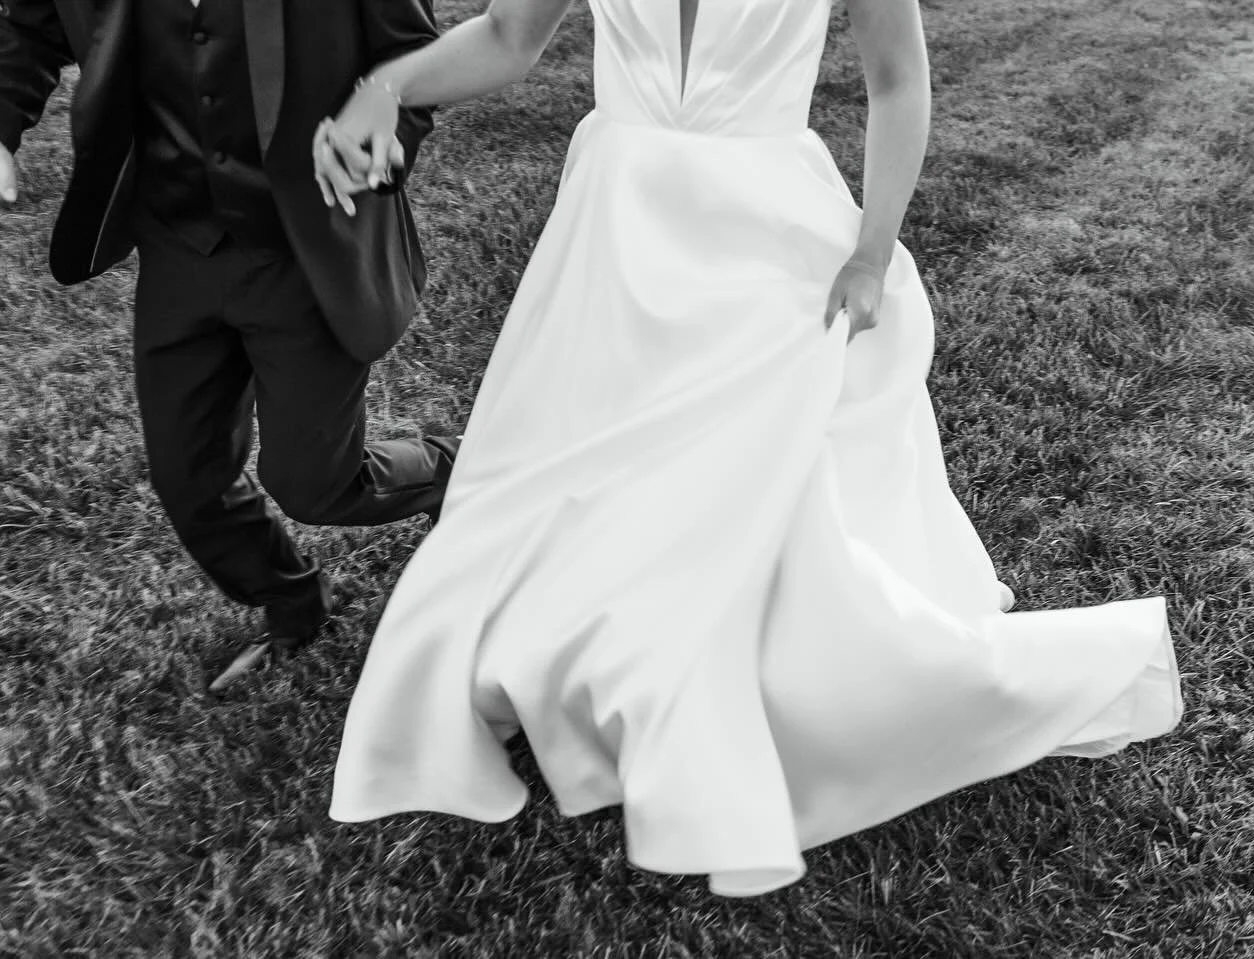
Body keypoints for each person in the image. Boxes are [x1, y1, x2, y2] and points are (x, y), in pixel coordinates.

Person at [315, 0, 1184, 896]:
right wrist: (386, 84)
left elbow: (898, 80)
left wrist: (871, 254)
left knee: (754, 486)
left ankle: (715, 680)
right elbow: (506, 39)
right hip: (614, 237)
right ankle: (603, 646)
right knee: (579, 487)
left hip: (761, 236)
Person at [0, 0, 458, 693]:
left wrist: (386, 135)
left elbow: (415, 60)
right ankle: (293, 601)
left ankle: (451, 470)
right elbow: (24, 26)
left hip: (307, 245)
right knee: (187, 475)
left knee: (316, 484)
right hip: (177, 240)